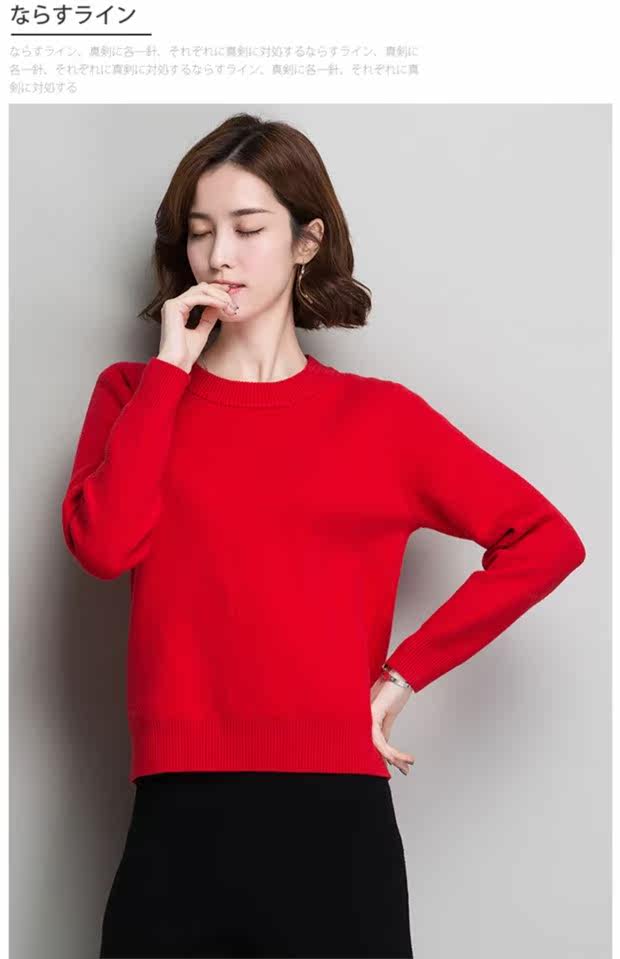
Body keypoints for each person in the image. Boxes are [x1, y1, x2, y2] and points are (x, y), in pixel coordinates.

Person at [61, 113, 586, 959]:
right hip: (174, 822)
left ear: (307, 241)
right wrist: (170, 371)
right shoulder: (134, 395)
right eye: (200, 232)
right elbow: (103, 547)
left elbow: (545, 538)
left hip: (336, 826)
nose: (219, 256)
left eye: (248, 227)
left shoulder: (379, 421)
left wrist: (402, 675)